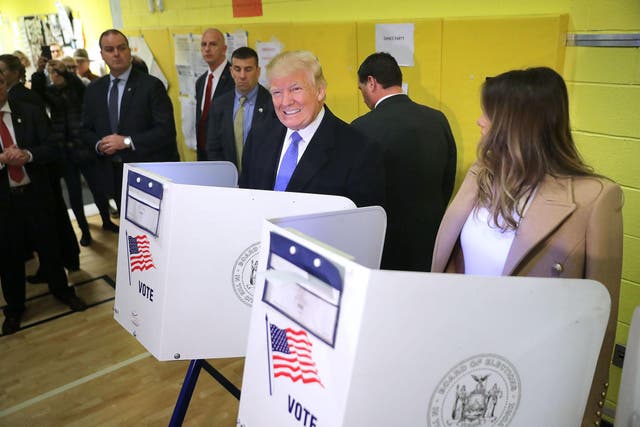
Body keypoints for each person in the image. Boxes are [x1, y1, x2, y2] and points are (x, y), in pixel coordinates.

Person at [430, 67, 623, 427]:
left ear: (517, 124)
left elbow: (603, 324)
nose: (479, 121)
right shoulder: (480, 176)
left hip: (533, 373)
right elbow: (450, 265)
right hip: (461, 349)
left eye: (488, 114)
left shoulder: (595, 199)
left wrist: (587, 414)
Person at [351, 52, 457, 271]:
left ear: (371, 82)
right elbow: (448, 178)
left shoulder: (360, 128)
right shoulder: (437, 119)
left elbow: (356, 194)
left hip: (385, 244)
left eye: (361, 90)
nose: (363, 97)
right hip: (432, 238)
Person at [239, 50, 384, 208]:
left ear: (320, 91)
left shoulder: (359, 150)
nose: (285, 102)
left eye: (296, 89)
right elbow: (247, 204)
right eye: (277, 92)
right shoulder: (258, 138)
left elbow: (362, 225)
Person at [0, 71, 87, 335]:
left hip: (36, 194)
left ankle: (62, 291)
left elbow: (52, 147)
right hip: (4, 203)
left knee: (50, 245)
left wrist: (27, 154)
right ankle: (14, 308)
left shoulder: (30, 111)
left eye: (0, 84)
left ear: (5, 83)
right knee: (9, 257)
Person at [82, 29, 179, 213]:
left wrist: (126, 142)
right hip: (114, 175)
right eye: (109, 49)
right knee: (129, 235)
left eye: (121, 48)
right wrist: (99, 144)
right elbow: (85, 129)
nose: (116, 54)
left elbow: (166, 131)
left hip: (148, 173)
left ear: (129, 51)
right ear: (102, 54)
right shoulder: (94, 90)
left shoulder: (151, 86)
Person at [1, 54, 81, 276]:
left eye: (2, 72)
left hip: (41, 172)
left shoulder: (21, 100)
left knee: (51, 226)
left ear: (14, 74)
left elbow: (44, 138)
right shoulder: (24, 94)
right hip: (20, 181)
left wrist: (26, 155)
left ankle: (60, 266)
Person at [33, 59, 118, 246]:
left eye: (57, 73)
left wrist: (65, 71)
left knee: (98, 189)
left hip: (84, 148)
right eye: (51, 73)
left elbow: (78, 84)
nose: (54, 76)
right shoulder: (50, 94)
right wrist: (40, 70)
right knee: (74, 195)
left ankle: (106, 221)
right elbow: (37, 91)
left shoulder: (77, 90)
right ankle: (84, 231)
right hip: (65, 152)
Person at [206, 47, 276, 169]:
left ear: (258, 71)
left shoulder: (272, 104)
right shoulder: (219, 105)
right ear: (231, 71)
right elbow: (213, 148)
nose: (242, 76)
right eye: (237, 69)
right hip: (229, 180)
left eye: (248, 69)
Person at [195, 28, 234, 160]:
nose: (207, 49)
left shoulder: (234, 79)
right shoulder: (201, 82)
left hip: (225, 155)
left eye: (213, 44)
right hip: (203, 154)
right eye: (203, 44)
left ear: (224, 49)